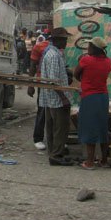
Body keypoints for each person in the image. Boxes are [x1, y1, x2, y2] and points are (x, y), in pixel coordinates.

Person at [74, 37, 111, 170]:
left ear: (94, 48)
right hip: (103, 97)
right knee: (102, 127)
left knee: (90, 127)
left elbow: (76, 74)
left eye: (89, 46)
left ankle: (90, 161)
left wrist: (84, 81)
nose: (87, 48)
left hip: (90, 97)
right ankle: (104, 160)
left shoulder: (86, 60)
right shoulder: (107, 61)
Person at [39, 27, 75, 166]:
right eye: (64, 39)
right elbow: (54, 81)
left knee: (52, 126)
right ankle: (56, 155)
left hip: (50, 98)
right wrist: (64, 97)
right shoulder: (53, 55)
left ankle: (54, 151)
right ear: (58, 40)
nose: (66, 42)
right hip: (57, 99)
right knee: (60, 127)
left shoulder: (52, 53)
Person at [27, 34, 50, 150]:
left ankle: (53, 139)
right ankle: (38, 138)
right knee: (42, 111)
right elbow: (32, 66)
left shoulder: (63, 48)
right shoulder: (39, 47)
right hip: (42, 83)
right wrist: (31, 85)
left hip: (56, 84)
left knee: (55, 112)